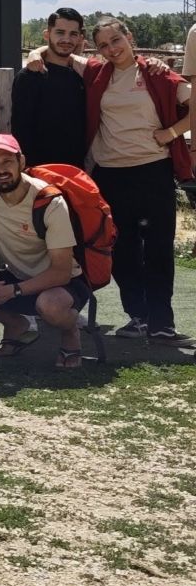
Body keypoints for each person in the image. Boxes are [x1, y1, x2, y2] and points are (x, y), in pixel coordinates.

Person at [0, 134, 93, 368]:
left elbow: (61, 272)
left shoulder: (49, 200)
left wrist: (12, 291)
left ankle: (70, 333)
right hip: (16, 279)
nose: (1, 169)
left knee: (50, 306)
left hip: (63, 283)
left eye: (7, 161)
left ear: (21, 162)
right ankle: (16, 325)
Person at [81, 17, 191, 343]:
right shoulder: (96, 73)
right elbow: (52, 52)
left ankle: (162, 324)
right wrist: (34, 54)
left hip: (152, 170)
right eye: (103, 45)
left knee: (158, 248)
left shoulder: (157, 73)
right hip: (110, 174)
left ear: (129, 37)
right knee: (121, 249)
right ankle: (138, 317)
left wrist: (171, 132)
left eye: (116, 40)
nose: (111, 49)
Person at [12, 6, 89, 169]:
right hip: (41, 170)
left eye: (73, 34)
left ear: (80, 38)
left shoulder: (83, 75)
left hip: (77, 170)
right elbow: (21, 129)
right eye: (60, 32)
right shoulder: (30, 76)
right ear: (47, 34)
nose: (66, 39)